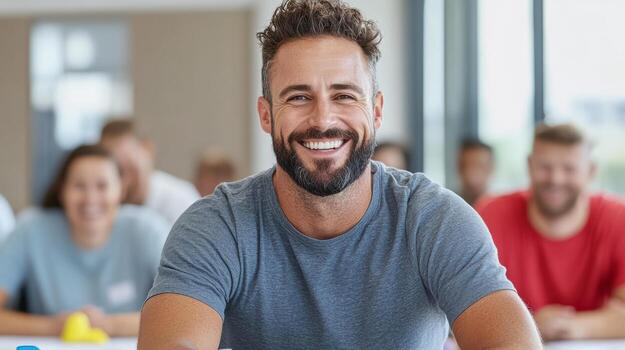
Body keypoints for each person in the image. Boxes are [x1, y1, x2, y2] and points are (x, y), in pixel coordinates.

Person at [138, 1, 541, 349]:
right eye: (298, 97)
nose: (323, 119)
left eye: (344, 95)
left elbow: (509, 342)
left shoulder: (433, 219)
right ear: (266, 114)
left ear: (377, 110)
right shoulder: (216, 225)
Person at [0, 145, 168, 337]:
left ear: (121, 189)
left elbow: (182, 310)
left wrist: (110, 325)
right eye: (79, 186)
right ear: (62, 190)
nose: (90, 199)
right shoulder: (30, 230)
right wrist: (52, 326)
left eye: (102, 186)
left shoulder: (147, 229)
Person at [478, 123, 625, 341]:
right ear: (529, 166)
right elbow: (466, 311)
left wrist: (572, 327)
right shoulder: (491, 214)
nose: (556, 179)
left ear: (591, 171)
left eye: (569, 169)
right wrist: (533, 324)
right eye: (545, 167)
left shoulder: (617, 219)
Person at [100, 119, 199, 225]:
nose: (124, 180)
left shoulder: (181, 200)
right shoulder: (102, 205)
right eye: (116, 170)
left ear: (148, 150)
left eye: (129, 167)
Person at [457, 138, 494, 207]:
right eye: (466, 165)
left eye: (479, 166)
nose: (471, 173)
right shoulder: (448, 206)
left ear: (491, 168)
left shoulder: (500, 208)